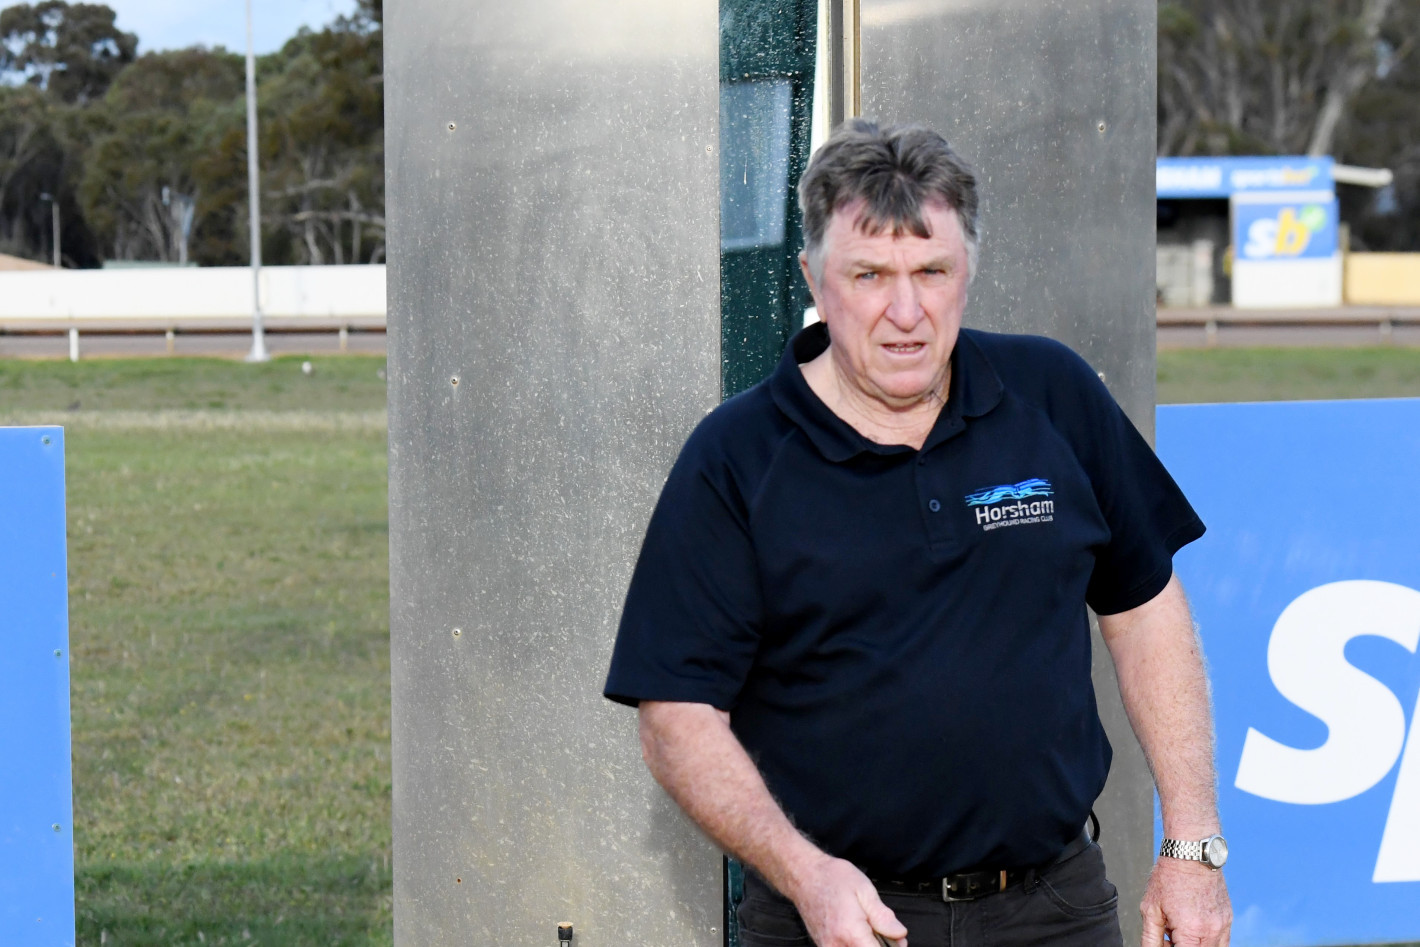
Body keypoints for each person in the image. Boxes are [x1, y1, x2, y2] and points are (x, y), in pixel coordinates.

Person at [603, 119, 1231, 947]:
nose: (906, 311)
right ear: (814, 279)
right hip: (836, 918)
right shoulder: (737, 458)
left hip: (1054, 910)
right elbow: (676, 715)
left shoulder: (1053, 394)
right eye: (869, 274)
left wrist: (1191, 846)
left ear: (967, 274)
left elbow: (1144, 608)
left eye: (932, 271)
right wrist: (806, 875)